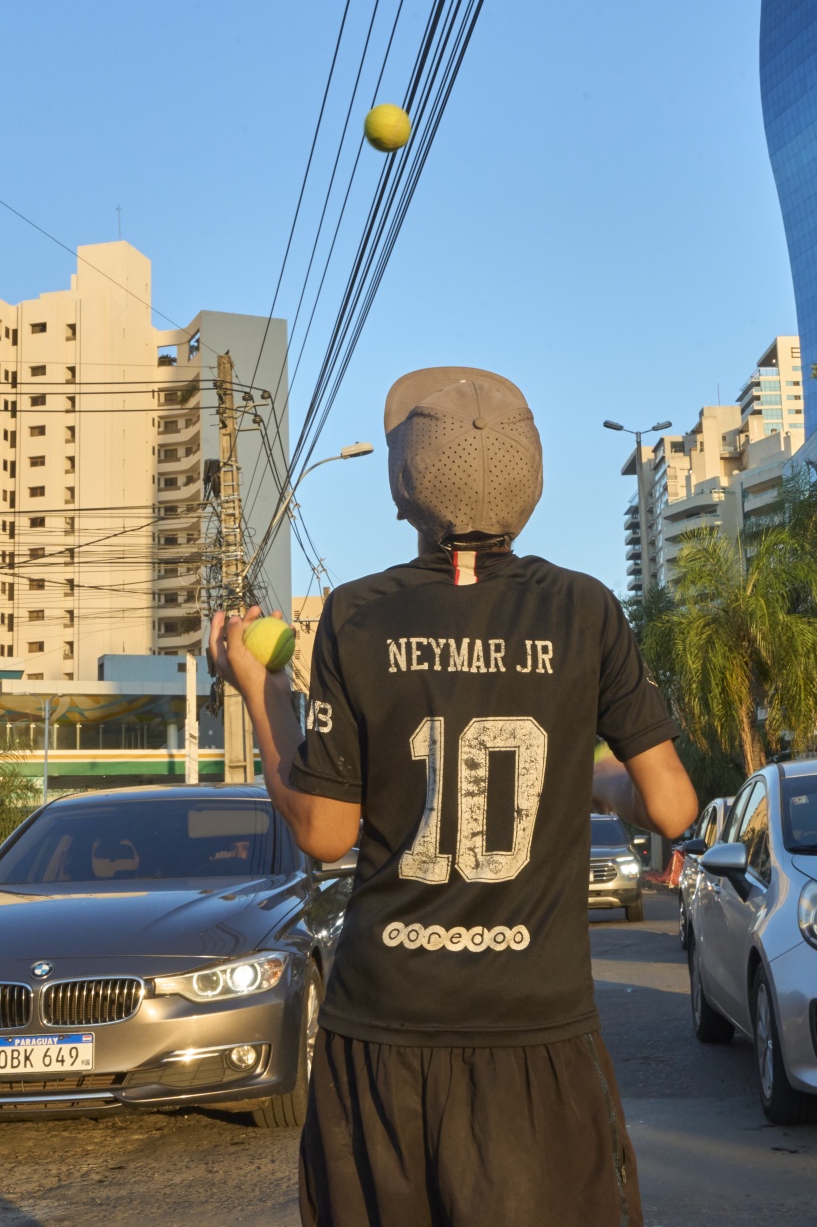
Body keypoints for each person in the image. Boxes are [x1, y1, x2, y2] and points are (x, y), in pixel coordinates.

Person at [207, 367, 700, 1227]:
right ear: (531, 484)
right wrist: (585, 777)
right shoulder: (584, 610)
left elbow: (325, 832)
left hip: (386, 1029)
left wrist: (258, 687)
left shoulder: (359, 618)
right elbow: (673, 809)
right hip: (539, 1033)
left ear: (405, 488)